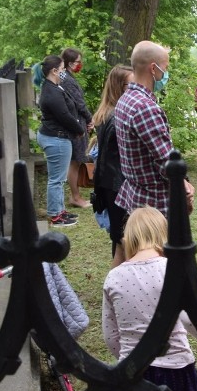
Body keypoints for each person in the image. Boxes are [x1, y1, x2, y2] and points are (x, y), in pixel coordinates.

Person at [102, 207, 197, 391]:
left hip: (131, 373)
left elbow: (110, 335)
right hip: (177, 370)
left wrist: (128, 356)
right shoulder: (174, 270)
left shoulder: (114, 277)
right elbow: (189, 316)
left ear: (129, 237)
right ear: (163, 234)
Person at [114, 41, 194, 263]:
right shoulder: (145, 107)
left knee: (128, 252)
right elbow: (166, 163)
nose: (165, 73)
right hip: (153, 203)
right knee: (158, 262)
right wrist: (184, 186)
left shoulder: (125, 100)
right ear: (153, 68)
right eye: (165, 68)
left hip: (134, 194)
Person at [34, 55, 86, 226]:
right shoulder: (51, 92)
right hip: (56, 139)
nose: (64, 72)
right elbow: (64, 115)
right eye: (62, 69)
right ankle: (55, 216)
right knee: (57, 179)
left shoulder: (53, 87)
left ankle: (60, 210)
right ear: (54, 71)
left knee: (59, 178)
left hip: (57, 137)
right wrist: (79, 130)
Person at [91, 64, 133, 254]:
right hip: (119, 185)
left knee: (119, 237)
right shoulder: (117, 117)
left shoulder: (107, 113)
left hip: (110, 184)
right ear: (119, 87)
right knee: (124, 238)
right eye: (131, 85)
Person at [60, 48, 94, 208]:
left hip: (76, 122)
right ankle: (75, 197)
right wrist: (90, 118)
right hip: (76, 124)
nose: (80, 65)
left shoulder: (65, 77)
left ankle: (76, 195)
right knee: (75, 162)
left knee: (76, 161)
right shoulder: (66, 79)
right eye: (78, 62)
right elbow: (79, 103)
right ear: (70, 63)